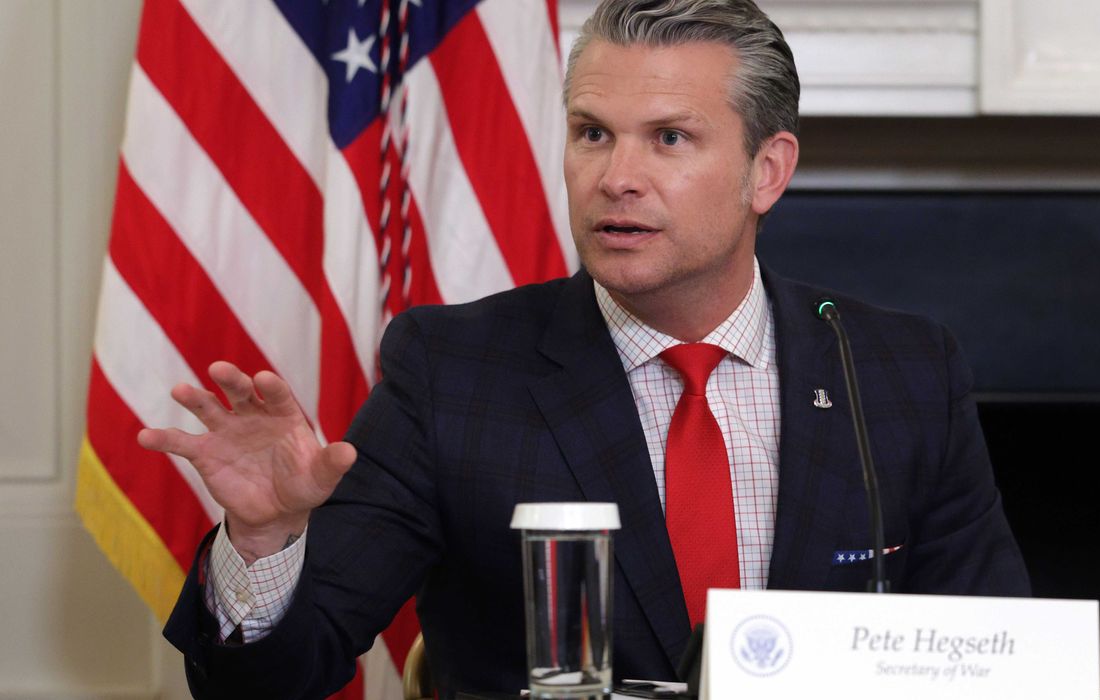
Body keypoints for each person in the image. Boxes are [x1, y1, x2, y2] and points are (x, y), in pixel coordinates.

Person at [150, 0, 1030, 696]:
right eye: (591, 133)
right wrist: (264, 540)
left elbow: (1000, 662)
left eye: (669, 138)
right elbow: (274, 677)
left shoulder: (897, 371)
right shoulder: (454, 370)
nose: (615, 177)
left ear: (767, 170)